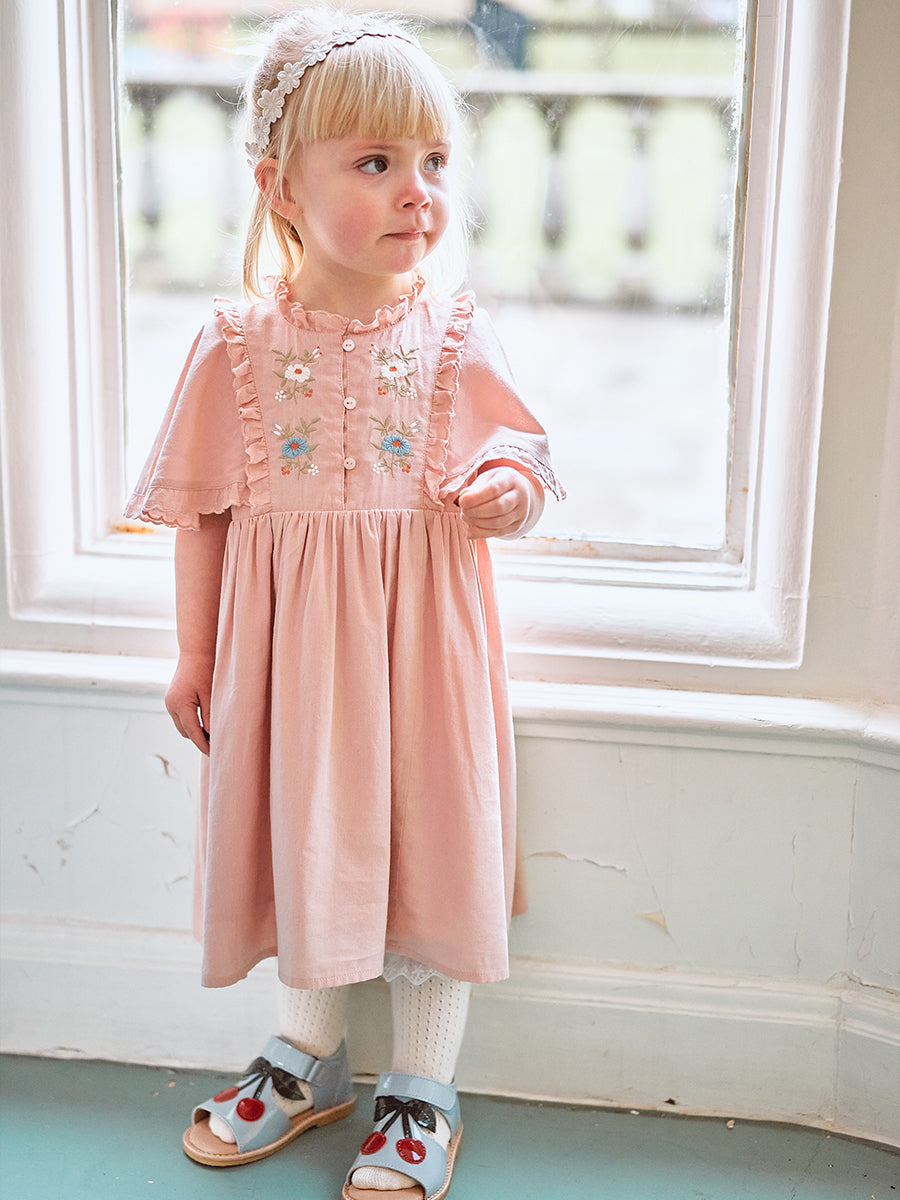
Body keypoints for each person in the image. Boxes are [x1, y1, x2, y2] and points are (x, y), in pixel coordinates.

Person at [126, 6, 563, 1198]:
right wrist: (194, 657)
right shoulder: (235, 346)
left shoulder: (453, 333)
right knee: (304, 838)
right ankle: (306, 1056)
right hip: (292, 665)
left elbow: (524, 455)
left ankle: (423, 1084)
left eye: (434, 161)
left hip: (426, 661)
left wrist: (509, 494)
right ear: (281, 187)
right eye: (375, 162)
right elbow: (205, 516)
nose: (418, 191)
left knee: (434, 846)